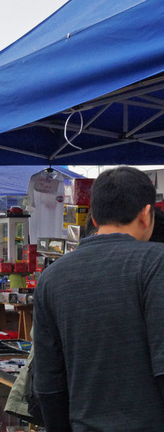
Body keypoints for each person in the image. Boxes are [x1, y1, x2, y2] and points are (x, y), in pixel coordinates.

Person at [33, 166, 164, 431]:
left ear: (93, 218)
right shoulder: (155, 263)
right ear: (146, 214)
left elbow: (47, 385)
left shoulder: (51, 278)